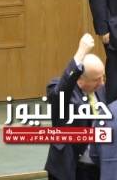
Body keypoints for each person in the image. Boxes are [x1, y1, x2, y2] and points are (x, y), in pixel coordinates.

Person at [45, 33, 106, 180]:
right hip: (70, 168)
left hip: (97, 167)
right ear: (79, 79)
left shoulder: (101, 89)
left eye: (103, 77)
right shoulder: (60, 89)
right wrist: (80, 54)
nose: (102, 83)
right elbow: (61, 91)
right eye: (96, 80)